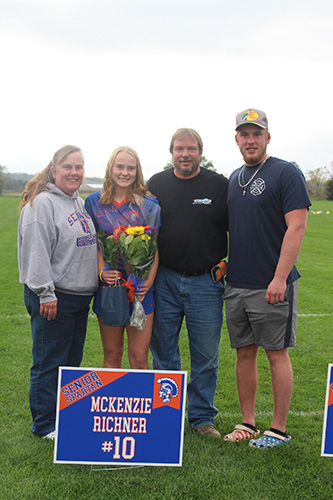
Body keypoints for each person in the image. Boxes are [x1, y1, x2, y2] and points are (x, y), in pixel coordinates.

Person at [223, 108, 311, 449]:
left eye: (256, 133)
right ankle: (247, 422)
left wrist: (280, 277)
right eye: (244, 134)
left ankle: (278, 429)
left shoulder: (285, 173)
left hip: (273, 285)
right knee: (244, 354)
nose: (250, 140)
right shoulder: (234, 177)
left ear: (267, 138)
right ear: (237, 140)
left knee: (276, 353)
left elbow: (298, 226)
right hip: (238, 285)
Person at [147, 128, 228, 438]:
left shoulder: (218, 184)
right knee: (163, 352)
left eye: (191, 149)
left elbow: (239, 227)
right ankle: (167, 414)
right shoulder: (157, 183)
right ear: (171, 152)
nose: (185, 154)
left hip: (206, 283)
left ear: (200, 152)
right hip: (164, 278)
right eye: (179, 149)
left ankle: (202, 418)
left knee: (205, 355)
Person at [18, 145, 99, 440]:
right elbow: (36, 252)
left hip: (78, 298)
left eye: (79, 167)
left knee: (69, 363)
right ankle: (44, 425)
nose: (74, 173)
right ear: (54, 170)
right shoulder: (42, 205)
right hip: (55, 298)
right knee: (48, 362)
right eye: (68, 167)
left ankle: (60, 416)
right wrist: (45, 293)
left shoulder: (75, 202)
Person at [85, 147, 161, 369]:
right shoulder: (93, 201)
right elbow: (95, 244)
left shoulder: (149, 205)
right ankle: (113, 402)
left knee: (139, 358)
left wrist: (148, 282)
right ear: (111, 169)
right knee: (112, 355)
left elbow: (154, 248)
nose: (125, 173)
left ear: (137, 171)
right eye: (120, 166)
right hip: (110, 290)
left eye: (131, 168)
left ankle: (142, 404)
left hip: (140, 290)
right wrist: (102, 271)